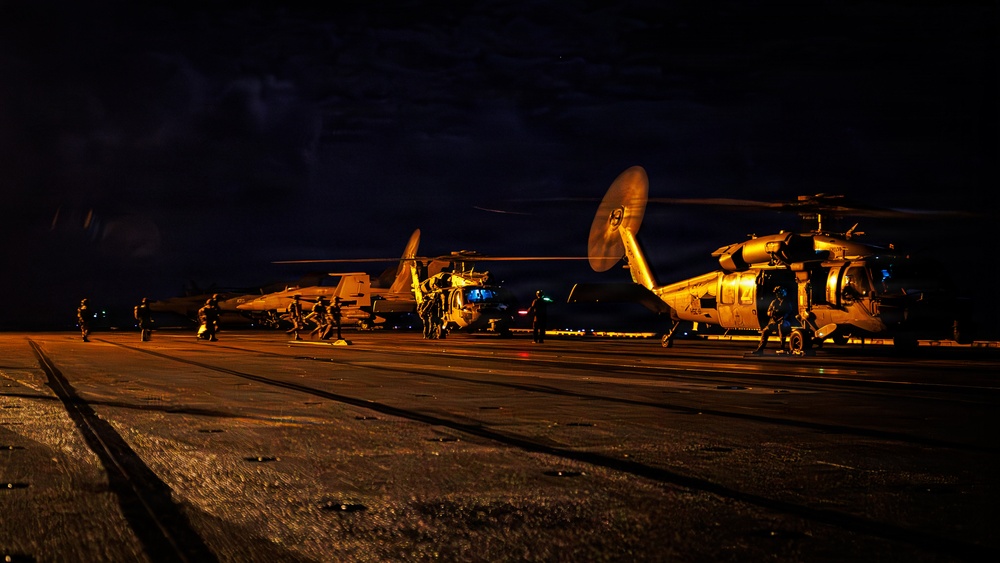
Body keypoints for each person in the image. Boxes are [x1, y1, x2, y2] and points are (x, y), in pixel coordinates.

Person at [753, 286, 794, 355]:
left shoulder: (787, 302)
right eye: (776, 293)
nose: (777, 294)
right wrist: (771, 313)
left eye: (778, 293)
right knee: (765, 331)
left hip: (785, 321)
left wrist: (781, 318)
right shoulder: (774, 302)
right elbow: (768, 312)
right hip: (774, 322)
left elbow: (788, 313)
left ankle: (782, 348)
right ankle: (760, 349)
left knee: (781, 326)